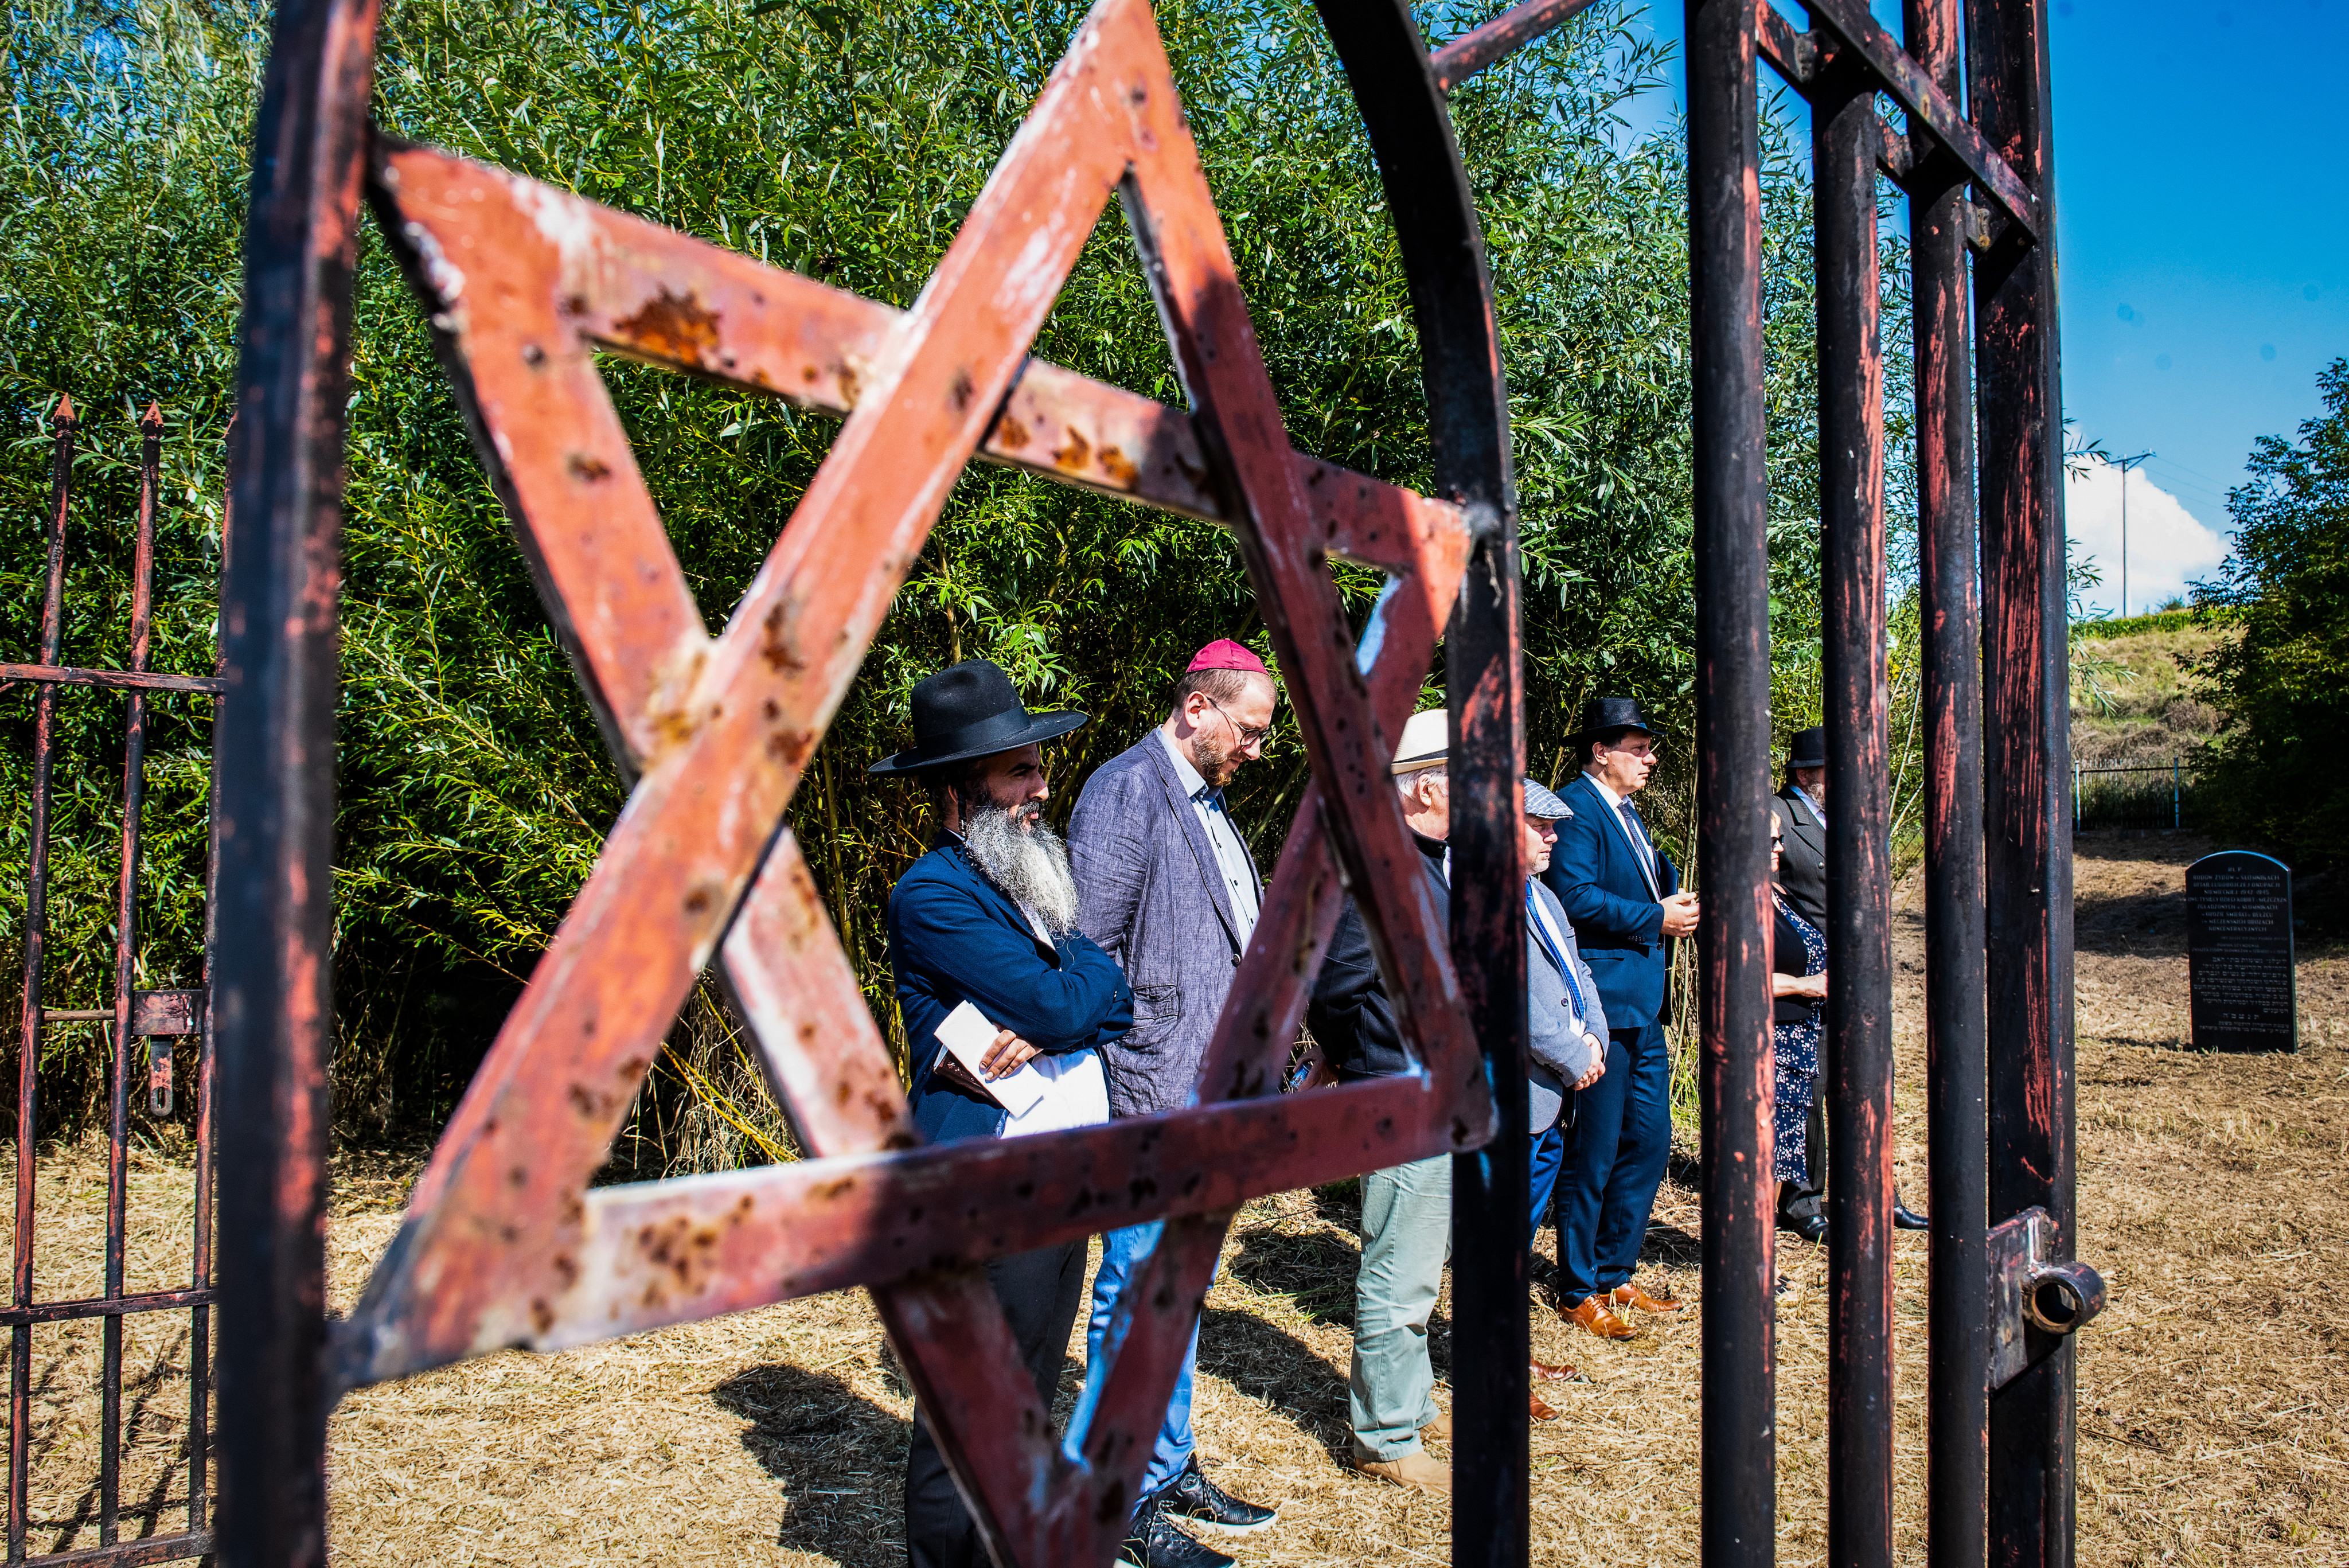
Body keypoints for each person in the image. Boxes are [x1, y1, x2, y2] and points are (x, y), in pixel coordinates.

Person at [874, 658, 1133, 1568]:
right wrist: (1072, 989)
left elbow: (1116, 994)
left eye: (1040, 767)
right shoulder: (934, 894)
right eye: (1020, 771)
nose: (1041, 788)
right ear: (957, 789)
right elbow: (1072, 1005)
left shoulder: (1027, 878)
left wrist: (1073, 986)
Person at [1307, 708, 1560, 1496]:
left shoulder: (1427, 857)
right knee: (1400, 1268)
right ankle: (1383, 1436)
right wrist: (1376, 1056)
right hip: (1407, 1092)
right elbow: (1339, 983)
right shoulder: (1379, 864)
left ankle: (1407, 1404)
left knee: (1428, 1262)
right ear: (1422, 789)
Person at [1068, 640, 1281, 1568]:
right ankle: (1108, 1501)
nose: (1258, 749)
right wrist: (1135, 1075)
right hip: (1153, 1088)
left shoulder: (1207, 797)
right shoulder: (1126, 790)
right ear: (1196, 706)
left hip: (1210, 1088)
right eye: (1250, 729)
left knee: (1180, 1280)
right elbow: (1089, 953)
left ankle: (1165, 1460)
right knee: (1135, 1286)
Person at [1540, 697, 1694, 1340]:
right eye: (1639, 748)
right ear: (1600, 750)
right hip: (1603, 1004)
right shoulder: (1575, 809)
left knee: (1651, 1139)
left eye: (1649, 748)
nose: (1650, 759)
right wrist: (1655, 918)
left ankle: (1614, 1269)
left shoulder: (1629, 815)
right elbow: (1573, 897)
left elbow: (1647, 885)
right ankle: (1576, 1286)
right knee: (1595, 1147)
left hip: (1643, 1004)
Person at [1772, 726, 1926, 1240]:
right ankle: (1801, 1199)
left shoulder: (1853, 819)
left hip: (1862, 974)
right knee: (1809, 1089)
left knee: (1867, 1082)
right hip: (1810, 976)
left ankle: (1877, 1191)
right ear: (1804, 775)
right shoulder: (1779, 816)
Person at [1519, 779, 1609, 1387]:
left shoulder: (1545, 898)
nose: (1554, 836)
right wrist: (1570, 1054)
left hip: (1553, 1099)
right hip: (1519, 1094)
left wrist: (1595, 1039)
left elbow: (1580, 972)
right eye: (1541, 826)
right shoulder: (1475, 900)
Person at [1769, 806, 1829, 1253]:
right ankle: (1751, 1258)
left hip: (1799, 1035)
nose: (1781, 848)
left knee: (1779, 1156)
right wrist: (1804, 985)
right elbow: (1734, 975)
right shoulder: (1736, 900)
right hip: (1770, 1038)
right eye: (1771, 842)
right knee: (1764, 1155)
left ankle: (1761, 1252)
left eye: (1779, 840)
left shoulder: (1779, 893)